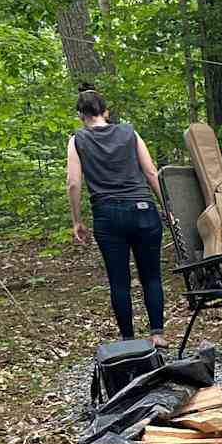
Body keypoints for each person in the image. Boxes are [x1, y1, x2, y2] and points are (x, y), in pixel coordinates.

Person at [65, 86, 167, 346]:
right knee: (151, 276)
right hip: (143, 208)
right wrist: (166, 207)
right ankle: (157, 334)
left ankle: (129, 339)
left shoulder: (77, 139)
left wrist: (77, 220)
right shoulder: (129, 132)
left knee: (118, 280)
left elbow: (73, 183)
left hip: (107, 214)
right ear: (106, 111)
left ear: (81, 115)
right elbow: (152, 172)